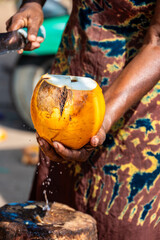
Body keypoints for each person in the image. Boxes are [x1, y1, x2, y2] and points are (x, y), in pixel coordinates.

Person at [7, 0, 160, 239]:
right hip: (68, 77)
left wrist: (99, 119)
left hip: (134, 107)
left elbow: (158, 41)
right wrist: (33, 4)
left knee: (122, 225)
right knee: (53, 218)